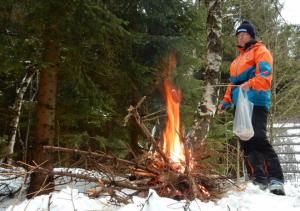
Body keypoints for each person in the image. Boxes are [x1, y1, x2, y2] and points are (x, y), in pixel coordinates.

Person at [218, 20, 285, 195]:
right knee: (246, 141)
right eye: (238, 35)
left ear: (251, 35)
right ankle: (258, 180)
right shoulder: (235, 62)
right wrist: (226, 101)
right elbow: (232, 85)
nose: (240, 38)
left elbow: (265, 74)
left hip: (257, 101)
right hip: (240, 104)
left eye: (243, 34)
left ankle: (276, 179)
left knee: (259, 139)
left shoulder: (261, 51)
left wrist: (251, 83)